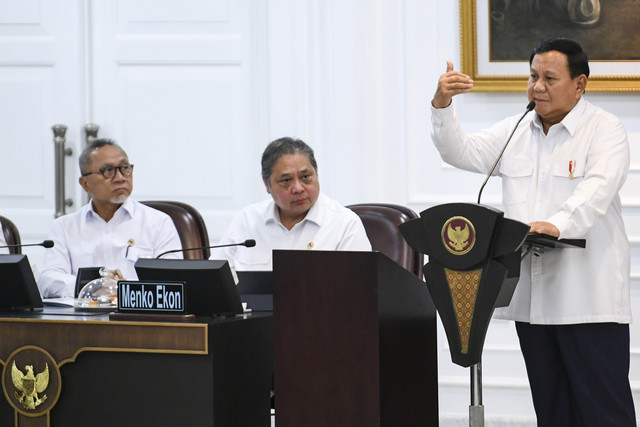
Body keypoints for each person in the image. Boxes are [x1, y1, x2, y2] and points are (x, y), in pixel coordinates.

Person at [430, 38, 635, 426]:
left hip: (588, 303)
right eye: (532, 76)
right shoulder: (517, 129)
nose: (537, 86)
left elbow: (597, 190)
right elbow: (461, 151)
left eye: (549, 78)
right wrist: (442, 106)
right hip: (533, 304)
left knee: (605, 413)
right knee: (552, 413)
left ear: (580, 84)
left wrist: (557, 223)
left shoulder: (605, 130)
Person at [38, 139, 183, 298]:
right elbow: (48, 280)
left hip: (138, 318)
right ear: (85, 184)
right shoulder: (65, 227)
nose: (120, 177)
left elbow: (174, 283)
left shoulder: (158, 223)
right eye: (108, 171)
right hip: (83, 318)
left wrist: (124, 290)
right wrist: (92, 285)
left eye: (125, 168)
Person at [211, 137, 371, 270]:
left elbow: (358, 292)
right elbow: (214, 278)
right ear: (267, 184)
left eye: (305, 177)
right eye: (286, 180)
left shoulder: (344, 225)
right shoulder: (247, 220)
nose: (298, 188)